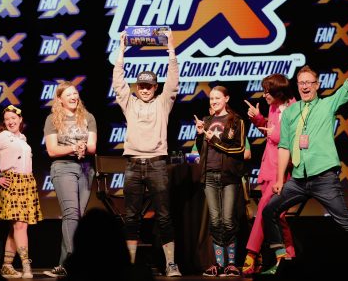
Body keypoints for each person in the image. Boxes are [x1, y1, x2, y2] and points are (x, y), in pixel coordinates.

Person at [261, 52, 348, 274]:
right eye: (301, 83)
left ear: (317, 84)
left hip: (324, 177)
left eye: (309, 83)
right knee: (269, 211)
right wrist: (278, 179)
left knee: (346, 222)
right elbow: (284, 146)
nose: (305, 86)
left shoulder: (328, 104)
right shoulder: (291, 111)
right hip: (298, 179)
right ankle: (280, 261)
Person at [112, 30, 182, 277]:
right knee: (131, 217)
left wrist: (170, 50)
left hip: (157, 164)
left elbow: (173, 81)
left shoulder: (163, 103)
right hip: (132, 164)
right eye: (140, 85)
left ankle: (171, 263)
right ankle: (130, 265)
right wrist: (121, 52)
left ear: (155, 87)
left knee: (164, 216)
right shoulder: (129, 103)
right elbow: (118, 82)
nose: (144, 89)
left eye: (148, 86)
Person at [0, 105, 43, 279]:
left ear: (20, 119)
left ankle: (7, 265)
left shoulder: (23, 138)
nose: (10, 122)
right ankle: (26, 265)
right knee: (20, 225)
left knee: (16, 227)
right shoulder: (1, 137)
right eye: (7, 119)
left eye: (13, 118)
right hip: (11, 182)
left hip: (27, 182)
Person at [242, 74, 296, 276]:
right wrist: (258, 119)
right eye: (264, 91)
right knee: (278, 216)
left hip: (281, 170)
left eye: (268, 92)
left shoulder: (293, 107)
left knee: (265, 210)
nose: (265, 95)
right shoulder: (273, 107)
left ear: (278, 92)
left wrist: (272, 132)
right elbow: (270, 131)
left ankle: (251, 254)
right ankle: (288, 256)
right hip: (268, 167)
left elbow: (288, 139)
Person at [43, 81, 97, 278]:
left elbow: (92, 146)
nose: (74, 97)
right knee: (71, 214)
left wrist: (84, 147)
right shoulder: (52, 120)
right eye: (68, 95)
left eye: (75, 93)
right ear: (60, 99)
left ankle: (65, 264)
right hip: (63, 168)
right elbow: (52, 150)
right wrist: (74, 147)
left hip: (85, 169)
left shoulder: (88, 117)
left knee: (77, 216)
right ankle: (71, 264)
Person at [194, 85, 247, 277]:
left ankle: (231, 264)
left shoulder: (236, 121)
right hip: (209, 176)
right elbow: (202, 149)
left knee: (228, 220)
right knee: (215, 221)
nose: (214, 101)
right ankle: (218, 263)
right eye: (211, 99)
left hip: (229, 177)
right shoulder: (208, 120)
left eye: (217, 98)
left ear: (226, 99)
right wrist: (200, 134)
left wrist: (214, 140)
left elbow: (239, 149)